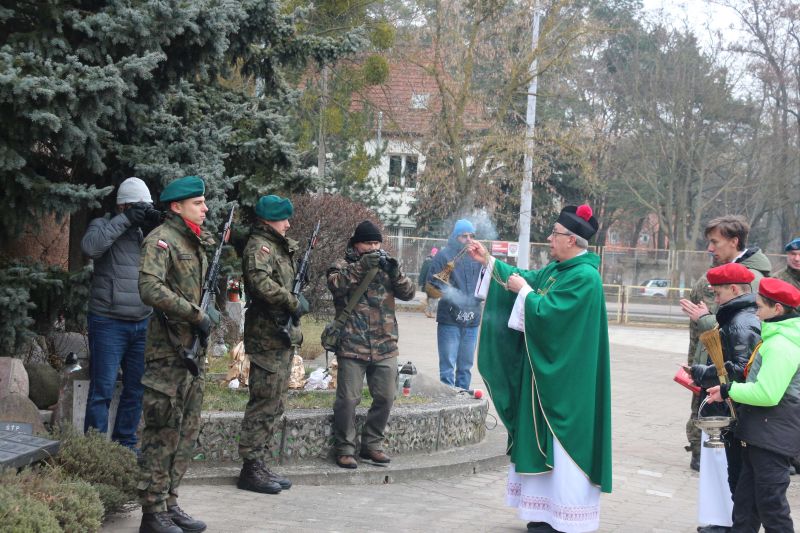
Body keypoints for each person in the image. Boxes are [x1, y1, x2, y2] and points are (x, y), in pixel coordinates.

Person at [468, 204, 611, 533]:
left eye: (555, 233)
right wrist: (488, 261)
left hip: (568, 383)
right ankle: (544, 513)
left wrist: (525, 293)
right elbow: (527, 281)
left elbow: (552, 315)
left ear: (572, 240)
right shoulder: (558, 270)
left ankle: (567, 515)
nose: (549, 238)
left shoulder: (585, 277)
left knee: (564, 447)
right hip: (545, 376)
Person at [137, 176, 220, 533]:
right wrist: (195, 314)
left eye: (204, 202)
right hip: (167, 354)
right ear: (176, 206)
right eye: (198, 203)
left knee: (186, 432)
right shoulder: (161, 240)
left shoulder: (195, 242)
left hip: (192, 355)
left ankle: (170, 503)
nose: (205, 208)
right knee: (163, 432)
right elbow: (149, 287)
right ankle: (152, 512)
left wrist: (208, 313)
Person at [706, 277, 800, 533]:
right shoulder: (776, 339)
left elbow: (768, 394)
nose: (755, 313)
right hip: (761, 434)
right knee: (746, 507)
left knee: (772, 508)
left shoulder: (781, 345)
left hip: (772, 437)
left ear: (777, 309)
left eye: (759, 307)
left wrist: (728, 390)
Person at [680, 215, 772, 471]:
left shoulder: (749, 279)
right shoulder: (722, 273)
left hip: (728, 384)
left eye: (715, 242)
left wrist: (705, 320)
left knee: (726, 461)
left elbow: (745, 334)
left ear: (734, 241)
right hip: (712, 370)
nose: (710, 248)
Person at [327, 220, 415, 469]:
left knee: (386, 397)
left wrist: (395, 272)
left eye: (377, 243)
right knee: (348, 400)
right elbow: (335, 286)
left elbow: (409, 293)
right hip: (352, 344)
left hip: (385, 344)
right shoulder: (342, 265)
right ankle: (345, 449)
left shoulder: (387, 266)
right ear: (356, 244)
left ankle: (372, 445)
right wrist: (361, 267)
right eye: (368, 243)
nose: (374, 248)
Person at [81, 177, 161, 451]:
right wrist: (125, 220)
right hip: (108, 322)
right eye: (139, 207)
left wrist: (150, 225)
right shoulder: (102, 224)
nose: (143, 212)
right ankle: (95, 451)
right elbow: (91, 248)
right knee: (102, 390)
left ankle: (125, 445)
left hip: (142, 321)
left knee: (136, 389)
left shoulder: (144, 233)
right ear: (123, 206)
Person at [237, 195, 307, 494]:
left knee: (276, 403)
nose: (288, 224)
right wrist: (291, 301)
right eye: (283, 219)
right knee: (264, 402)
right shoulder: (259, 246)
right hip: (266, 335)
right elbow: (260, 284)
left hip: (280, 335)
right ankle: (250, 468)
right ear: (268, 220)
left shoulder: (278, 246)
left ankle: (259, 461)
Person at [685, 263, 761, 533]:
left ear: (734, 289)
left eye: (717, 294)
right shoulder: (736, 316)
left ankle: (736, 526)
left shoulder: (741, 322)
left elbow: (741, 369)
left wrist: (701, 373)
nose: (715, 300)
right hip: (735, 407)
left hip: (738, 410)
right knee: (736, 477)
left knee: (740, 478)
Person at [427, 220, 483, 389]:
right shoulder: (443, 256)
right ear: (455, 236)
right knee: (447, 368)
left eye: (471, 235)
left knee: (465, 368)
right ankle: (449, 400)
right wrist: (449, 293)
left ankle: (463, 399)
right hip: (449, 319)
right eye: (464, 236)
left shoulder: (478, 257)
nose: (468, 239)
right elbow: (430, 285)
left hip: (472, 319)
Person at [418, 246, 439, 318]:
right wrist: (421, 282)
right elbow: (423, 272)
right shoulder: (428, 261)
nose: (435, 254)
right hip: (429, 282)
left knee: (432, 298)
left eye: (436, 253)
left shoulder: (436, 261)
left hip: (434, 282)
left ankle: (428, 310)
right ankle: (428, 311)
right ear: (432, 253)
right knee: (434, 298)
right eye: (435, 253)